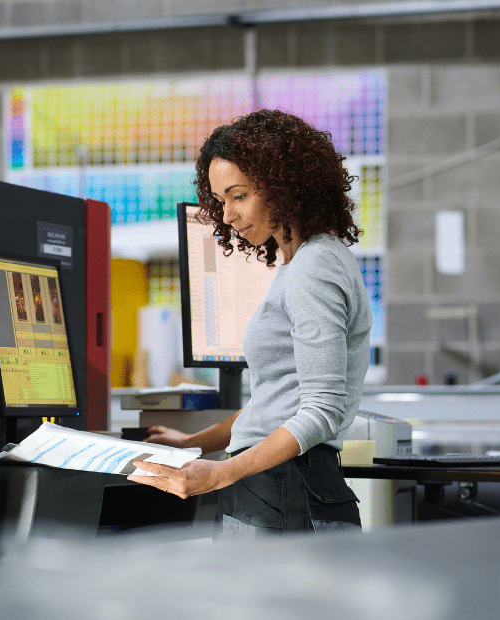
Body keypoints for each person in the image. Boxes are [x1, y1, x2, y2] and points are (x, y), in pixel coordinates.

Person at [129, 109, 372, 534]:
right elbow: (271, 406)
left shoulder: (314, 267)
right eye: (221, 200)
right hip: (275, 487)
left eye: (238, 196)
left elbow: (322, 410)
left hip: (287, 489)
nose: (226, 215)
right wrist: (190, 444)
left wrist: (221, 473)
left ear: (284, 187)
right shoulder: (299, 264)